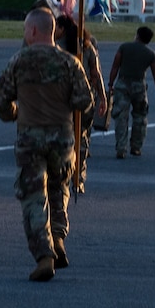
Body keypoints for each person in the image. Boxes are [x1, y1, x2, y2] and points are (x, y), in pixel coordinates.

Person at [0, 8, 92, 282]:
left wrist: (17, 112)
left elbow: (1, 103)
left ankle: (44, 254)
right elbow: (85, 102)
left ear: (34, 31)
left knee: (34, 196)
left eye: (26, 29)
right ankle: (58, 238)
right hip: (63, 137)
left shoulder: (19, 61)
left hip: (30, 138)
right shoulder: (70, 62)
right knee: (59, 188)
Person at [54, 15, 106, 196]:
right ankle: (79, 178)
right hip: (85, 98)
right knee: (82, 137)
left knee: (60, 137)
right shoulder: (87, 46)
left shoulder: (56, 47)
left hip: (61, 99)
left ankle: (62, 175)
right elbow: (96, 73)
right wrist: (103, 97)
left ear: (61, 27)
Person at [107, 26, 155, 159]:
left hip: (123, 85)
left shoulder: (124, 47)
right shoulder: (151, 54)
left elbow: (115, 66)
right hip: (139, 86)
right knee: (140, 117)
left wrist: (110, 84)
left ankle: (121, 148)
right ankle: (136, 147)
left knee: (121, 117)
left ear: (137, 35)